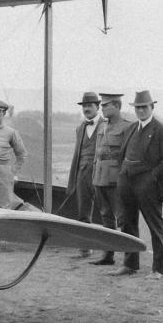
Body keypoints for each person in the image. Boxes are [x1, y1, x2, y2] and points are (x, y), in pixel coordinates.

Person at [112, 90, 163, 279]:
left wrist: (151, 178)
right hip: (127, 185)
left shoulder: (162, 130)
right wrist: (122, 176)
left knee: (155, 227)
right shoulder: (130, 129)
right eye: (137, 107)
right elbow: (122, 156)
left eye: (144, 107)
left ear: (152, 107)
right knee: (128, 225)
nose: (140, 111)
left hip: (149, 188)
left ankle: (158, 269)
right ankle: (130, 265)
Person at [90, 93, 131, 266]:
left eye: (105, 105)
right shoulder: (102, 126)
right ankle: (108, 256)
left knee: (123, 218)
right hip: (100, 176)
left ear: (116, 105)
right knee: (105, 217)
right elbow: (97, 153)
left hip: (116, 179)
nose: (102, 109)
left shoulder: (128, 127)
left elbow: (128, 155)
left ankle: (130, 260)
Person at [66, 92, 102, 258]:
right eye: (84, 106)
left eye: (90, 106)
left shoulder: (106, 124)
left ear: (98, 107)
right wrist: (73, 178)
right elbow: (77, 154)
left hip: (101, 173)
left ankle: (109, 248)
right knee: (83, 211)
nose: (86, 109)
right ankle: (85, 247)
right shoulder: (80, 127)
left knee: (106, 210)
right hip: (82, 174)